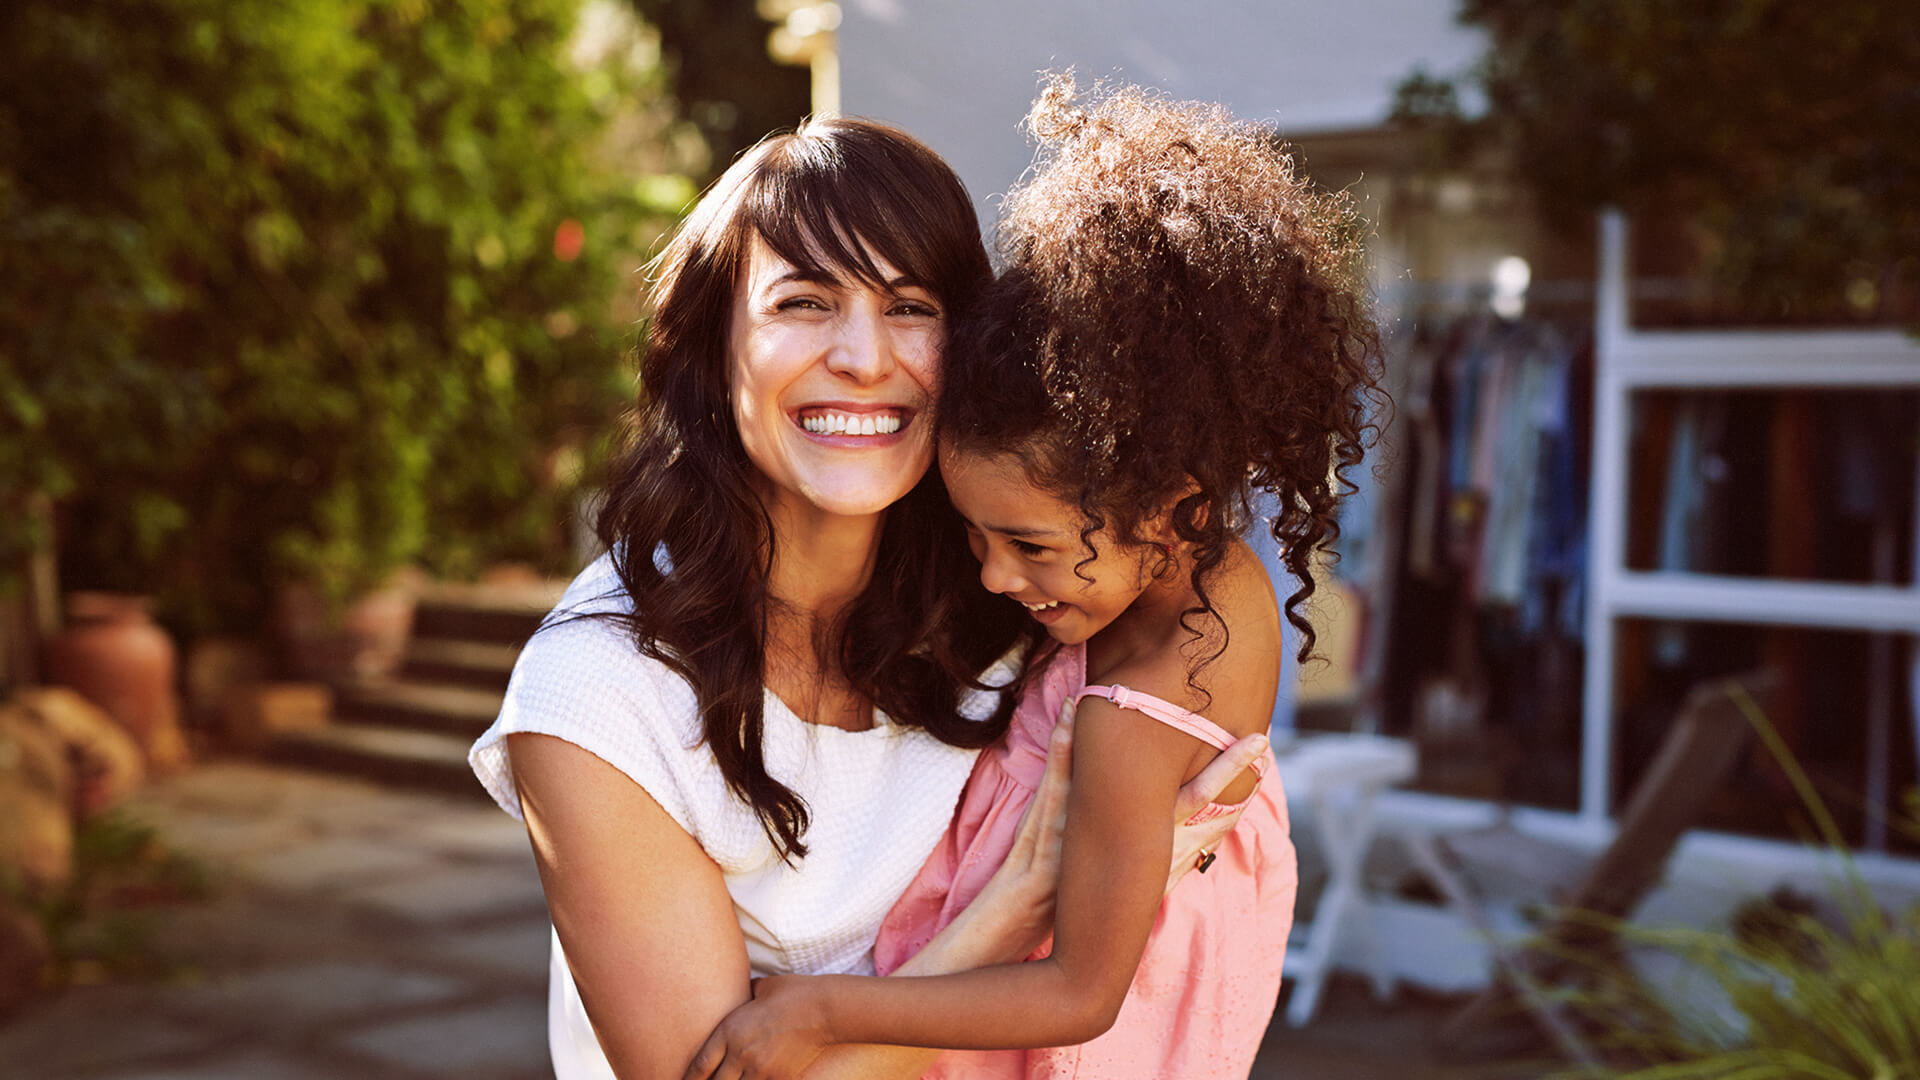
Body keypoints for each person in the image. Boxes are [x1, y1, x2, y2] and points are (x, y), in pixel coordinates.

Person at [467, 112, 1264, 1080]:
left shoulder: (1019, 591)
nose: (862, 356)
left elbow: (1209, 592)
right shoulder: (598, 694)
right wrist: (1019, 905)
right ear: (714, 347)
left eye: (911, 306)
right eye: (802, 302)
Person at [682, 78, 1382, 1080]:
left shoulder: (1135, 711)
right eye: (974, 538)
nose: (999, 578)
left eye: (1033, 547)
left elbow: (1082, 994)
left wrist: (822, 1012)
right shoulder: (1209, 577)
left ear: (1169, 500)